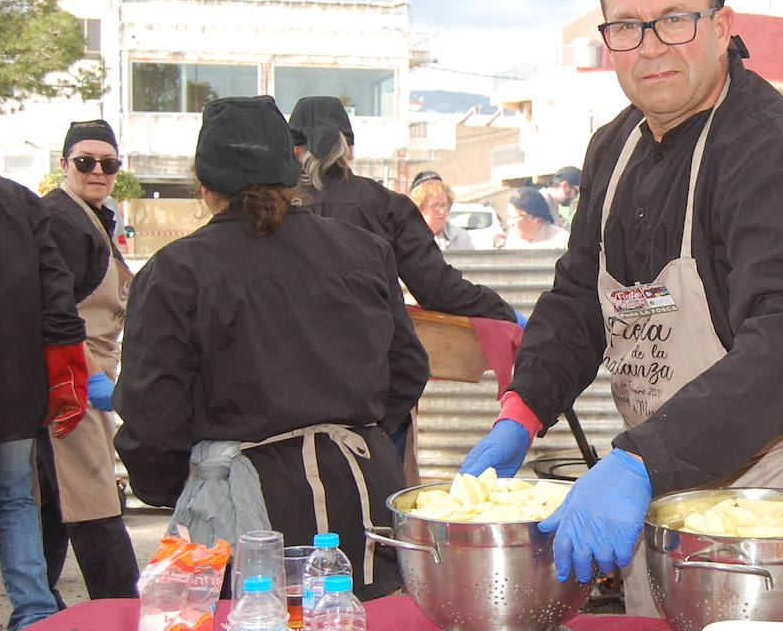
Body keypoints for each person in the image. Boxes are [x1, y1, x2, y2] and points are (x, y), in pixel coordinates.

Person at [460, 0, 783, 609]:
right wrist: (523, 406)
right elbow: (578, 299)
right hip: (666, 476)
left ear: (722, 27)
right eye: (627, 27)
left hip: (782, 493)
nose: (650, 46)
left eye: (673, 22)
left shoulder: (770, 155)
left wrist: (640, 459)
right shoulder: (613, 147)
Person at [114, 96, 429, 599]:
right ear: (291, 173)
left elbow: (151, 413)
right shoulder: (365, 251)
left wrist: (177, 484)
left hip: (246, 498)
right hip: (357, 488)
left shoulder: (175, 272)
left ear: (206, 186)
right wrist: (352, 429)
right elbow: (409, 369)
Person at [287, 97, 521, 469]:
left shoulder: (273, 208)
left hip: (287, 398)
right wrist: (507, 313)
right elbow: (439, 289)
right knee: (375, 514)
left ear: (294, 148)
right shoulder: (384, 205)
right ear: (349, 148)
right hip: (373, 395)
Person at [39, 120, 141, 600]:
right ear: (64, 165)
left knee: (56, 497)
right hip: (70, 374)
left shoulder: (93, 216)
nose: (97, 171)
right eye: (85, 162)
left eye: (108, 163)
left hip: (90, 371)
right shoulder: (60, 219)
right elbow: (54, 312)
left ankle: (37, 600)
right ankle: (120, 604)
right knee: (90, 494)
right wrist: (91, 377)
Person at [0, 172, 85, 631]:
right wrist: (65, 370)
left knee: (14, 499)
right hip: (11, 383)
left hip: (14, 382)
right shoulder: (17, 200)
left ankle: (34, 610)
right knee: (13, 500)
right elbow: (57, 291)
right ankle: (33, 613)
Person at [409, 170, 475, 251]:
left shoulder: (461, 237)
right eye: (436, 206)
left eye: (444, 205)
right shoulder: (404, 239)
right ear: (419, 208)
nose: (442, 211)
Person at [500, 187, 569, 250]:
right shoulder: (513, 238)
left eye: (513, 218)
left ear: (535, 219)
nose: (508, 223)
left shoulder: (562, 242)